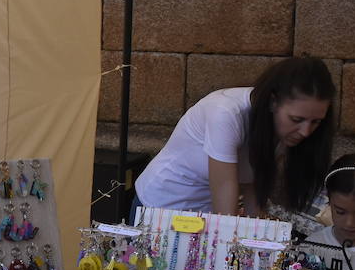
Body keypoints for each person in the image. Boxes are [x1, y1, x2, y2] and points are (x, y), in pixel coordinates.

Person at [134, 56, 336, 220]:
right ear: (273, 102)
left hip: (203, 215)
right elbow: (225, 205)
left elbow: (252, 188)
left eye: (316, 122)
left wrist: (259, 233)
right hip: (159, 207)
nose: (305, 131)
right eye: (296, 119)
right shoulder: (226, 113)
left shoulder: (280, 129)